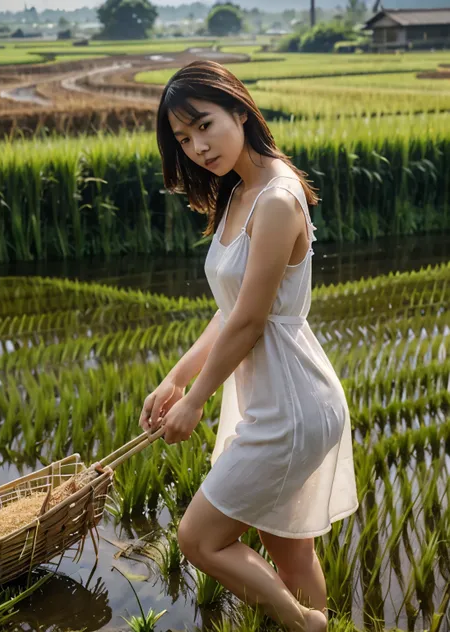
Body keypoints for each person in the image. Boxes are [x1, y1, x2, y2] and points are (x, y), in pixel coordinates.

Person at [139, 60, 359, 632]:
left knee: (198, 538)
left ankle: (304, 624)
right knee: (289, 550)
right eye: (183, 139)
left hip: (291, 406)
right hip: (274, 396)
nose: (197, 146)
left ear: (239, 108)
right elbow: (230, 311)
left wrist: (195, 401)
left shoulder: (277, 199)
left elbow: (251, 322)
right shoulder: (240, 192)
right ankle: (319, 623)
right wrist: (177, 377)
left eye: (205, 125)